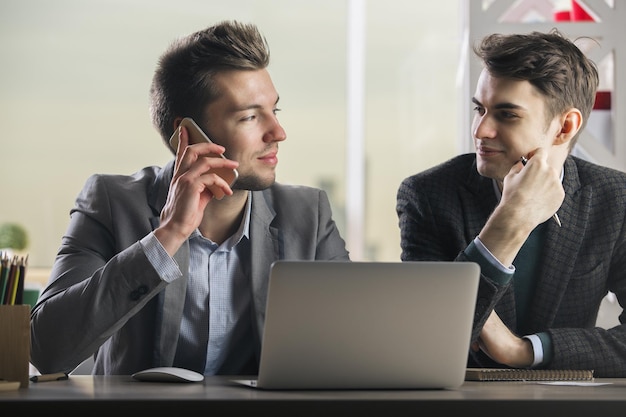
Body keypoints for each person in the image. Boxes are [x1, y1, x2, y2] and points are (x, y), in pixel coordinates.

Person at [30, 20, 349, 376]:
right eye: (249, 117)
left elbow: (357, 341)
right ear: (188, 135)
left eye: (274, 111)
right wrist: (168, 236)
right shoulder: (111, 202)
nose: (278, 133)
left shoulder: (309, 214)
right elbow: (47, 350)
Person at [396, 29, 626, 377]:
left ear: (565, 126)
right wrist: (509, 221)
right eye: (480, 109)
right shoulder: (427, 195)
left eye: (506, 114)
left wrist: (525, 350)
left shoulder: (615, 198)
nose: (481, 130)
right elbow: (423, 342)